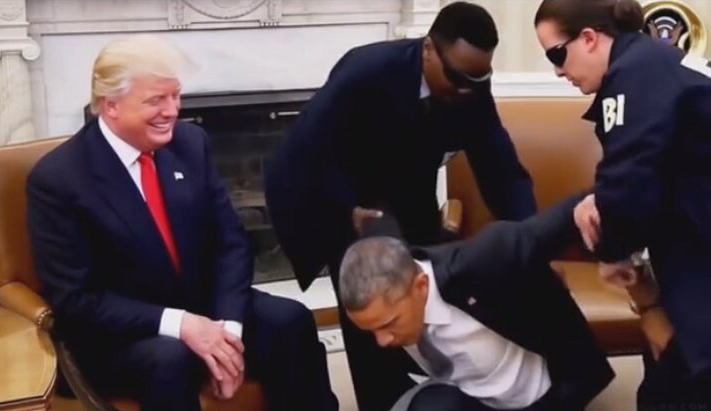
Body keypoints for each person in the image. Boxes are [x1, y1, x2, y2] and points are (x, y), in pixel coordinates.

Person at [26, 34, 338, 411]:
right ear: (111, 105)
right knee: (170, 359)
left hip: (202, 306)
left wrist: (229, 331)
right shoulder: (58, 179)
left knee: (290, 321)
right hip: (117, 335)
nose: (172, 111)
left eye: (175, 96)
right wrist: (182, 324)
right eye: (156, 100)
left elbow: (230, 242)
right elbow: (77, 300)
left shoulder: (190, 143)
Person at [265, 2, 536, 408]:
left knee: (421, 295)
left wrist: (531, 239)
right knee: (372, 303)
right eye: (458, 77)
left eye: (479, 79)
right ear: (428, 50)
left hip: (409, 192)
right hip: (343, 194)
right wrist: (346, 209)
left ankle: (424, 395)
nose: (467, 89)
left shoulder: (470, 89)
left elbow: (501, 168)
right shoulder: (365, 71)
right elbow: (308, 151)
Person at [533, 0, 711, 408]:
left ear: (589, 39)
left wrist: (611, 249)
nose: (558, 71)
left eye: (557, 55)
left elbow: (627, 186)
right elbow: (657, 167)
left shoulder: (633, 74)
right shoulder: (654, 62)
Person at [339, 195, 615, 411]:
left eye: (389, 324)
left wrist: (618, 254)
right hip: (471, 399)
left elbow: (575, 213)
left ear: (420, 286)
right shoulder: (383, 291)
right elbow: (377, 221)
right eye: (371, 330)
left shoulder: (485, 259)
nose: (382, 341)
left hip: (542, 397)